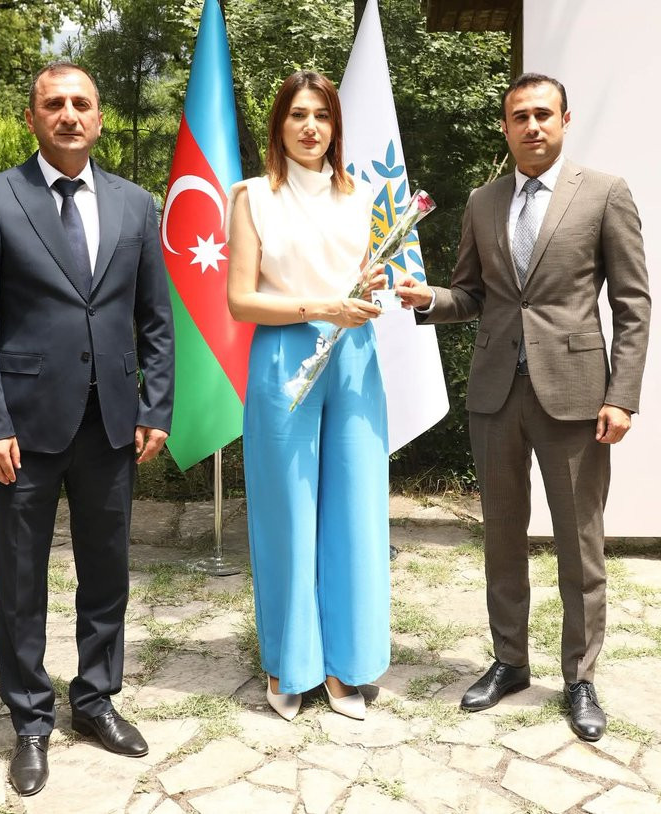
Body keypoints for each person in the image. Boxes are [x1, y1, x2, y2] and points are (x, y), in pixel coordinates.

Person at [396, 72, 650, 742]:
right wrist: (429, 299)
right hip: (495, 396)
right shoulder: (484, 201)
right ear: (505, 127)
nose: (532, 126)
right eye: (519, 116)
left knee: (579, 544)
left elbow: (632, 304)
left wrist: (622, 395)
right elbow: (472, 294)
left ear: (564, 120)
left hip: (576, 399)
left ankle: (580, 678)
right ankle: (509, 662)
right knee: (502, 538)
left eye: (543, 114)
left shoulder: (604, 193)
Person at [0, 61, 174, 795]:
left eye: (82, 103)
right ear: (33, 117)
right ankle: (30, 721)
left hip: (111, 423)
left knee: (107, 572)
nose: (69, 114)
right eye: (54, 104)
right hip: (22, 429)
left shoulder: (136, 204)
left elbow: (155, 318)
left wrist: (156, 406)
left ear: (99, 117)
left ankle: (95, 700)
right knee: (21, 579)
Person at [226, 70, 391, 722]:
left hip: (353, 357)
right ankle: (287, 662)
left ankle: (344, 665)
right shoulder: (251, 197)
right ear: (279, 125)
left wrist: (369, 288)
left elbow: (364, 284)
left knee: (355, 510)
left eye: (321, 115)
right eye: (297, 114)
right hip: (283, 356)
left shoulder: (363, 197)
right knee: (287, 513)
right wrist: (321, 306)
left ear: (335, 126)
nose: (310, 126)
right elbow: (241, 300)